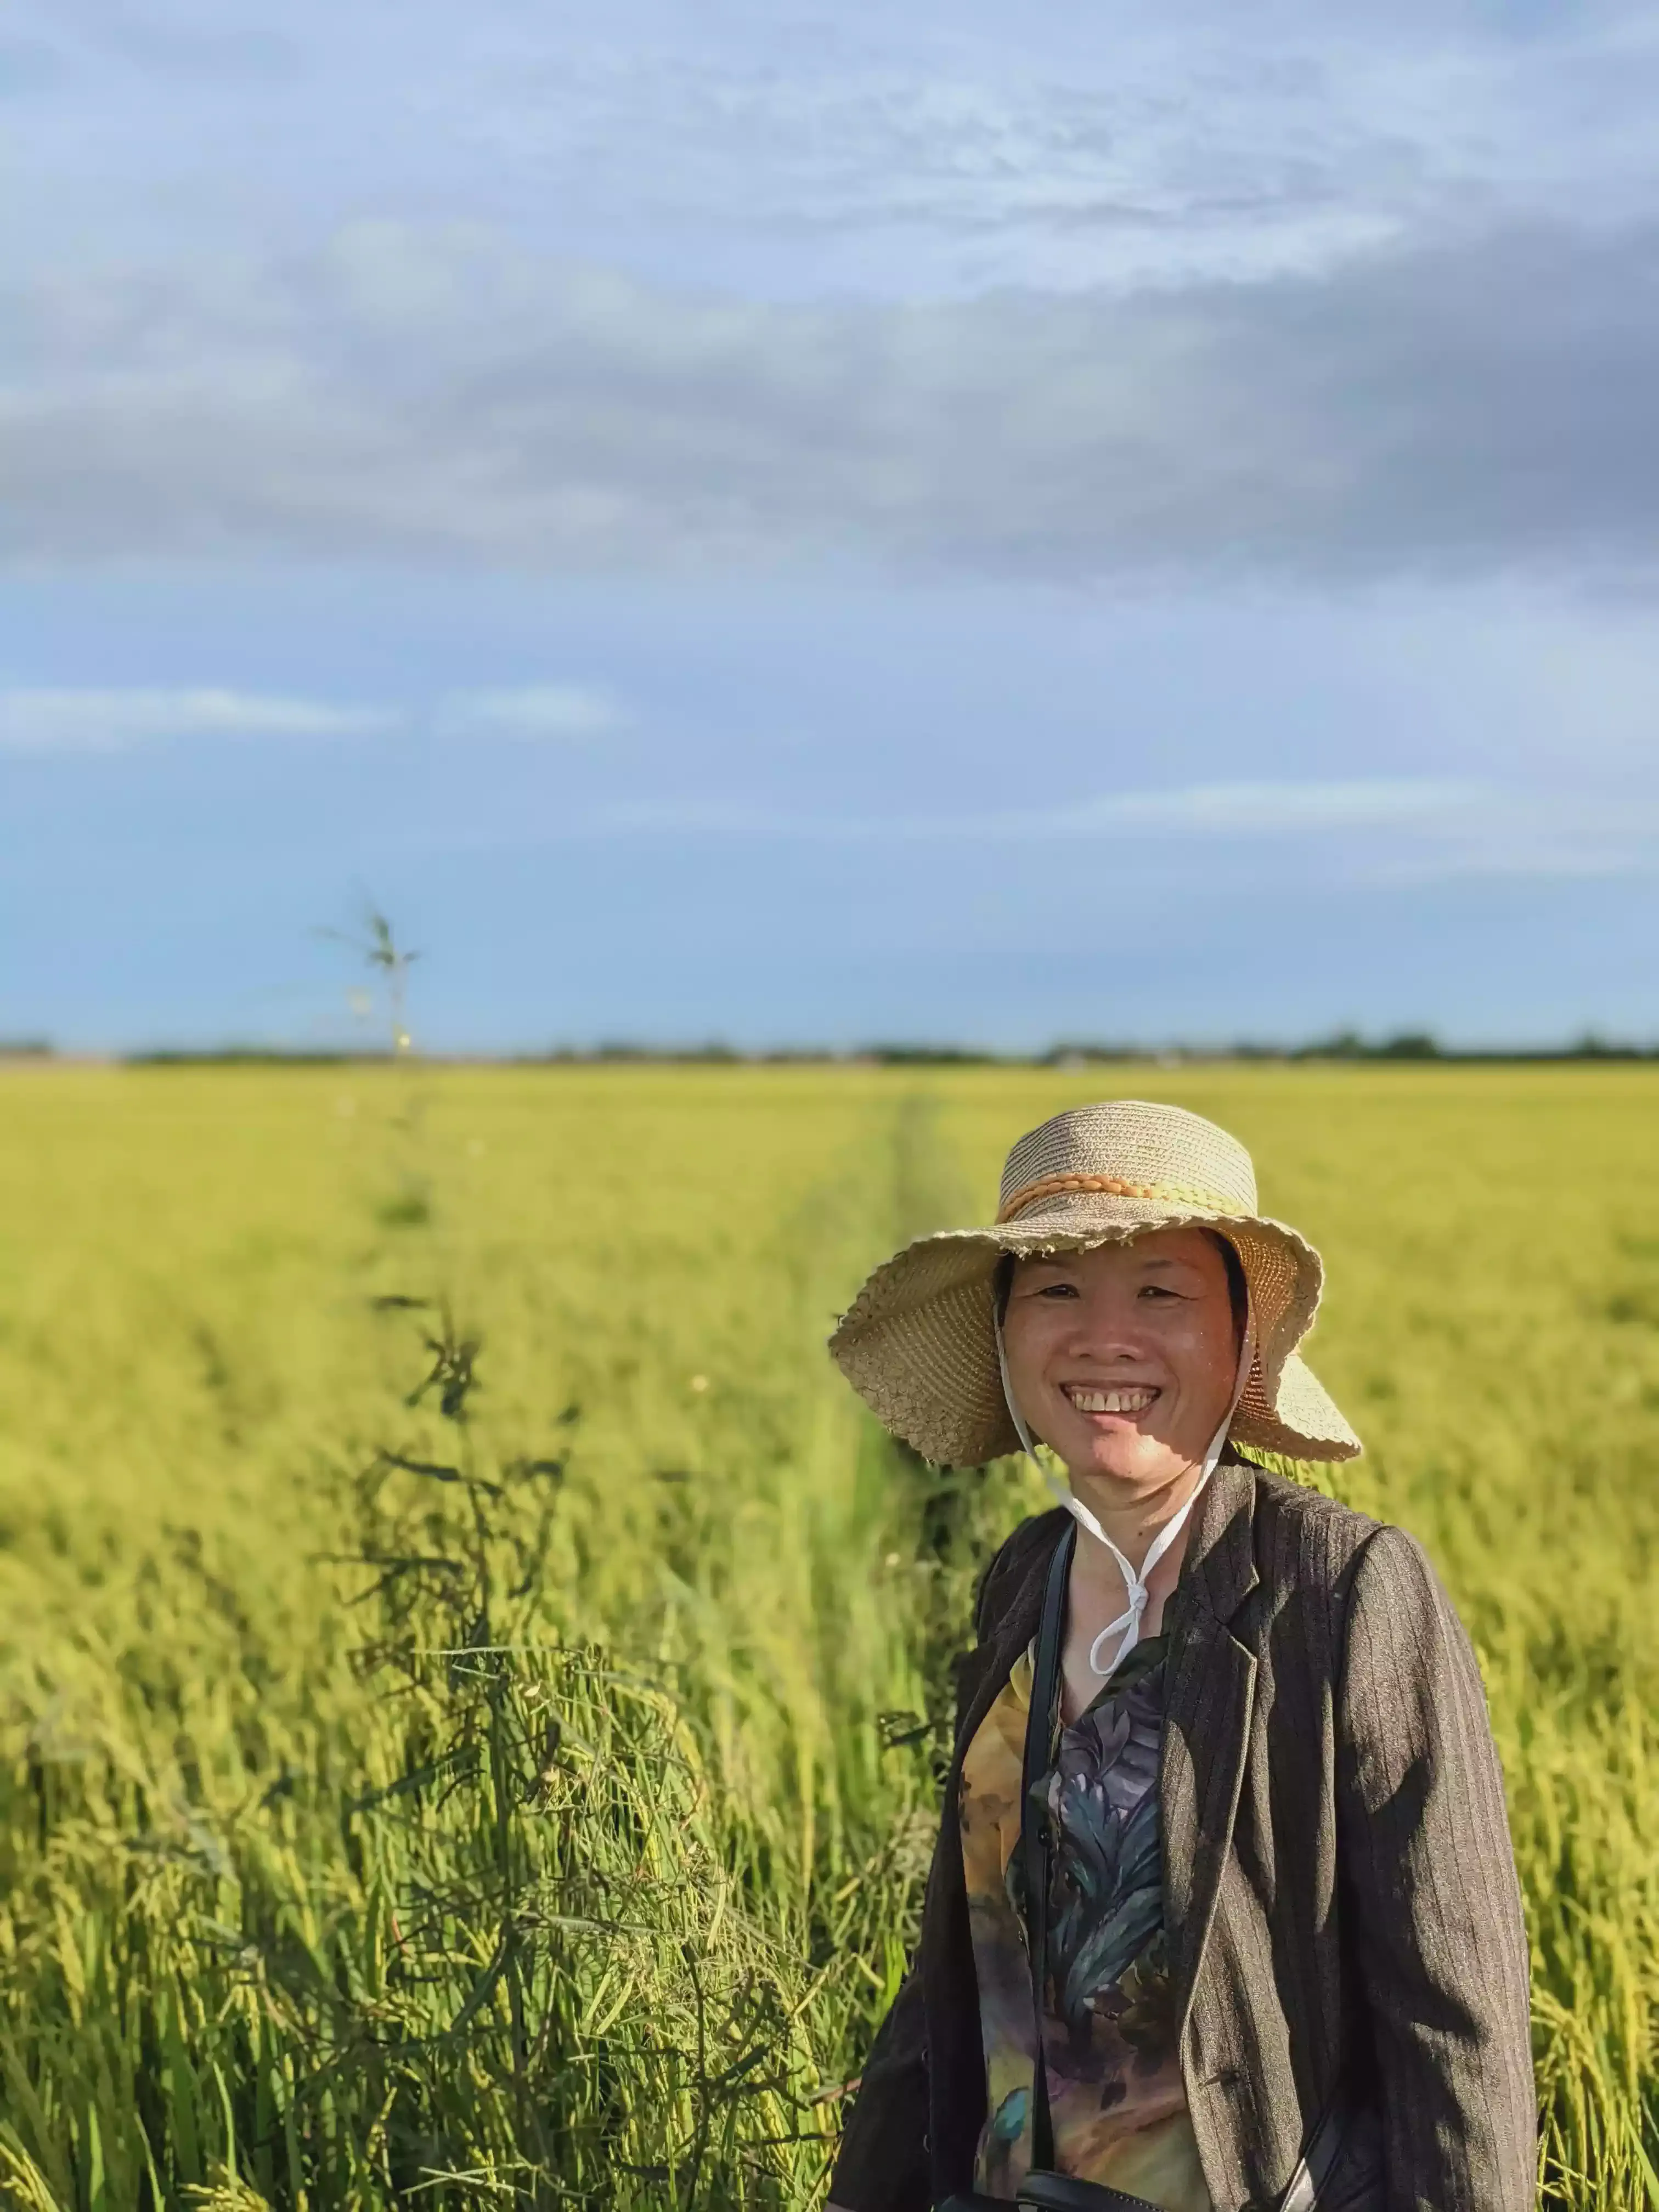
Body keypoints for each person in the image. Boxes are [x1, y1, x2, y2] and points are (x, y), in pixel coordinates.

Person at [823, 1101, 1534, 2212]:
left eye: (1161, 1292)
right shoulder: (1025, 1574)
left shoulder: (1340, 1591)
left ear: (1243, 1339)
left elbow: (1457, 2021)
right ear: (1006, 1334)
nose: (1107, 1338)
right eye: (1056, 1289)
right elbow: (962, 1966)